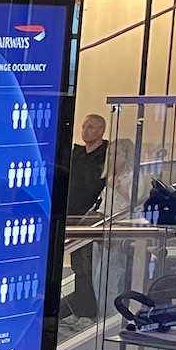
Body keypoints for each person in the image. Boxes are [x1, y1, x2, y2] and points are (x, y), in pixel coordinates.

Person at [63, 114, 109, 320]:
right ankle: (80, 309)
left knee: (89, 266)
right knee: (78, 267)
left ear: (101, 130)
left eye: (90, 127)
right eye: (83, 127)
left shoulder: (106, 155)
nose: (85, 131)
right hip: (72, 217)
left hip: (93, 220)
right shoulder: (77, 154)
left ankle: (90, 310)